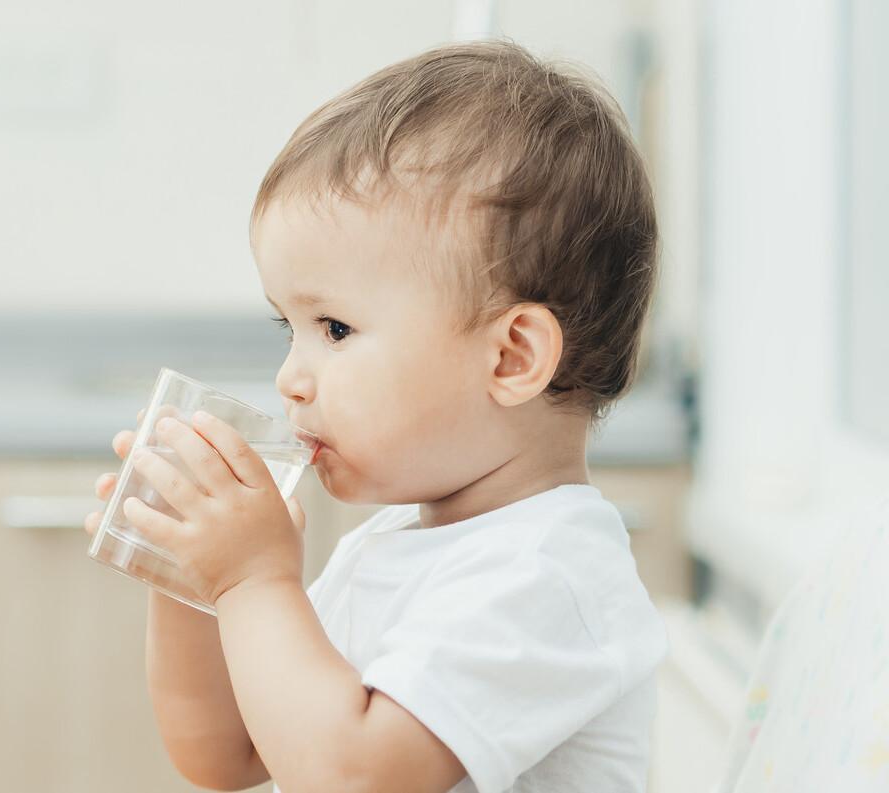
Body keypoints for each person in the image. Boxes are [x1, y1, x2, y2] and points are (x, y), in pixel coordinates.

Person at [85, 39, 668, 793]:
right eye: (286, 328)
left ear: (512, 357)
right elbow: (227, 754)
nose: (290, 377)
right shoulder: (394, 546)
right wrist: (196, 579)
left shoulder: (548, 571)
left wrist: (254, 580)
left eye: (334, 329)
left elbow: (355, 778)